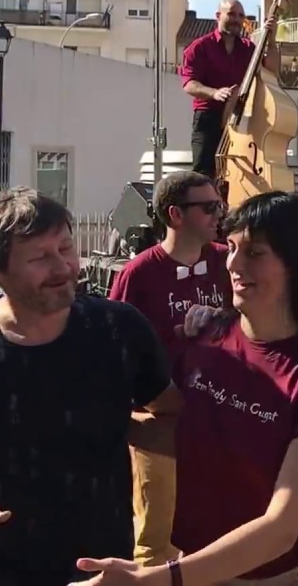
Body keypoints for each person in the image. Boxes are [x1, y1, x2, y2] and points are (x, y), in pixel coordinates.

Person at [0, 188, 178, 584]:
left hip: (97, 571)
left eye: (67, 248)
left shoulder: (119, 329)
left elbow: (170, 412)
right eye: (40, 257)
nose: (64, 267)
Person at [82, 192, 298, 585]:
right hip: (211, 559)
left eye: (255, 253)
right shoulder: (208, 335)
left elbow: (281, 527)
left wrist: (152, 581)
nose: (232, 263)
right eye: (231, 247)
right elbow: (179, 427)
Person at [107, 171, 232, 567]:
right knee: (155, 536)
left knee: (215, 525)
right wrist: (174, 332)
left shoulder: (225, 259)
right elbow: (115, 347)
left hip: (217, 412)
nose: (219, 213)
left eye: (220, 204)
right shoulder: (139, 273)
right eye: (209, 207)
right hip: (157, 417)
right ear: (175, 214)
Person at [180, 0, 278, 178]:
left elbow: (271, 69)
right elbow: (189, 84)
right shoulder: (200, 47)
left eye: (241, 15)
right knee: (204, 174)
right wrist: (214, 93)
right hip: (209, 118)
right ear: (218, 16)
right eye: (231, 14)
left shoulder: (249, 48)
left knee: (238, 174)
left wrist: (271, 40)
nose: (237, 19)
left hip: (240, 118)